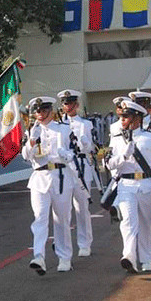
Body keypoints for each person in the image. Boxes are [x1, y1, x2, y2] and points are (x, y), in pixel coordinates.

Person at [107, 100, 151, 273]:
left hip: (147, 184)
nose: (122, 120)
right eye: (121, 116)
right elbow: (108, 164)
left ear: (137, 118)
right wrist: (124, 155)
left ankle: (146, 259)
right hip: (126, 185)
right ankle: (129, 255)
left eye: (126, 116)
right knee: (129, 221)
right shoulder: (116, 140)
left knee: (147, 224)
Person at [23, 96, 75, 275]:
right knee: (39, 218)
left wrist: (66, 155)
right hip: (39, 176)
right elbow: (25, 156)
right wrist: (31, 141)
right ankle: (39, 256)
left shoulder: (63, 129)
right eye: (37, 111)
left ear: (50, 111)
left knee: (61, 218)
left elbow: (74, 151)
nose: (40, 114)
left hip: (59, 175)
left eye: (43, 110)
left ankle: (65, 256)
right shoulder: (32, 130)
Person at [58, 89, 94, 257]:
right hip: (64, 167)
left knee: (81, 206)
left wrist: (86, 144)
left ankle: (84, 242)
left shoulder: (85, 124)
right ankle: (63, 244)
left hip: (81, 164)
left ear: (77, 105)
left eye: (71, 103)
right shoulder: (58, 124)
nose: (68, 107)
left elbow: (91, 147)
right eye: (66, 104)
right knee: (64, 207)